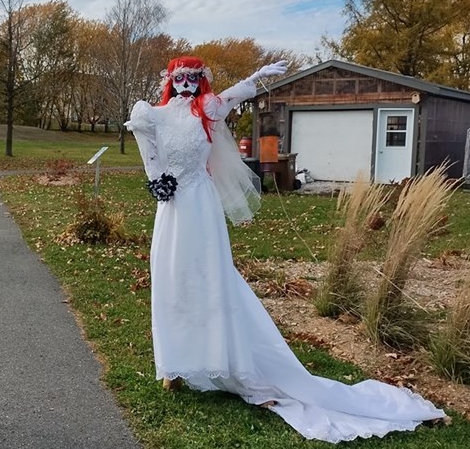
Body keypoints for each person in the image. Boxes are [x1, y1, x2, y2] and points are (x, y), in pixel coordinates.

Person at [124, 56, 445, 443]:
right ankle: (174, 364)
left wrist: (256, 77)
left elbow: (232, 94)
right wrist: (157, 181)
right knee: (172, 278)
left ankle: (230, 361)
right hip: (172, 208)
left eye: (194, 78)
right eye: (181, 78)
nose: (187, 84)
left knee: (211, 279)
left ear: (200, 81)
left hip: (201, 206)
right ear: (170, 80)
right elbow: (149, 152)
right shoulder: (152, 115)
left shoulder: (208, 108)